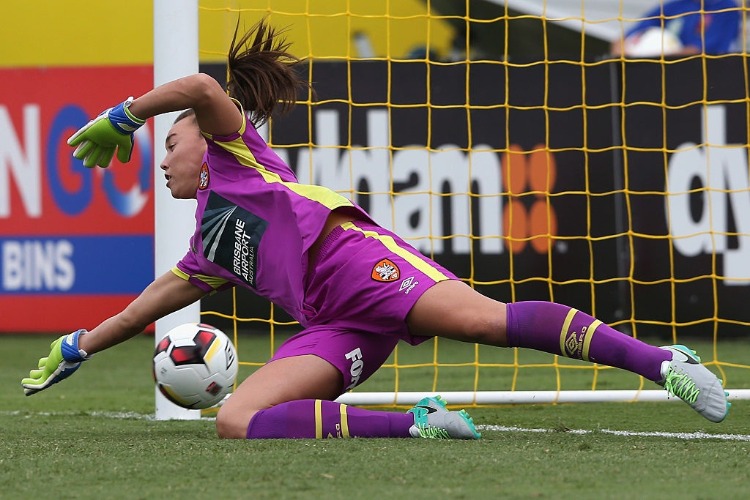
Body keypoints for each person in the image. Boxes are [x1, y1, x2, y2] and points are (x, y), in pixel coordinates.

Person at [22, 19, 730, 440]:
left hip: (362, 266)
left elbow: (203, 90)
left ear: (205, 147)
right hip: (332, 324)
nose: (164, 162)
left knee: (487, 324)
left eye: (169, 146)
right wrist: (77, 346)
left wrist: (126, 115)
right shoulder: (206, 250)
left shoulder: (242, 157)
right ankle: (420, 422)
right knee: (238, 421)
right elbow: (141, 310)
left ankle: (663, 364)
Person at [611, 0, 740, 57]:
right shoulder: (677, 5)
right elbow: (629, 34)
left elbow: (704, 50)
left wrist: (657, 58)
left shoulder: (727, 8)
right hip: (661, 75)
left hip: (708, 75)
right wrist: (621, 51)